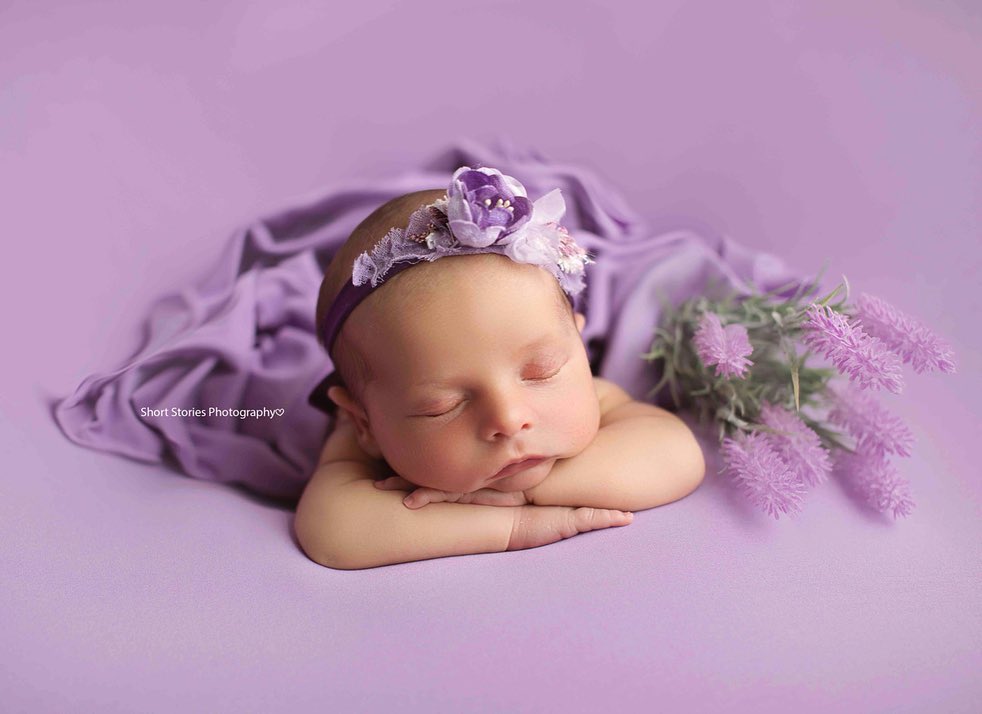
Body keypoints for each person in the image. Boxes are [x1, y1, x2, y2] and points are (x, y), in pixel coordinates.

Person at [294, 166, 705, 569]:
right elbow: (333, 532)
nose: (508, 419)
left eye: (540, 372)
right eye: (443, 405)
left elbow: (675, 454)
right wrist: (513, 526)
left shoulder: (590, 392)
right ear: (363, 421)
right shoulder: (358, 434)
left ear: (578, 348)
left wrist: (527, 494)